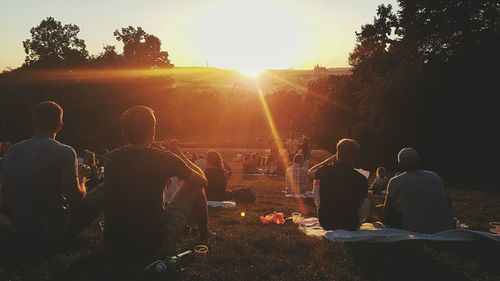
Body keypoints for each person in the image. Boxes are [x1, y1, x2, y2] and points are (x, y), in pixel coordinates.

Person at [103, 106, 212, 264]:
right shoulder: (164, 158)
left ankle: (204, 231)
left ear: (124, 131)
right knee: (193, 184)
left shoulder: (111, 158)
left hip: (114, 246)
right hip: (152, 245)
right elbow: (203, 181)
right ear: (152, 131)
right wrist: (179, 156)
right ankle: (205, 232)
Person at [0, 101, 101, 246]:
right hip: (50, 233)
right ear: (60, 126)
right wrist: (83, 177)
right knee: (104, 190)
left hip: (17, 230)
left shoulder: (12, 151)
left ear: (34, 122)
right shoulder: (65, 151)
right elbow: (74, 199)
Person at [382, 148, 454, 234]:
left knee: (386, 213)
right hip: (446, 229)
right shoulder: (435, 176)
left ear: (400, 162)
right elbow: (449, 204)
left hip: (416, 230)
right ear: (418, 160)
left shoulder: (396, 181)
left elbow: (387, 209)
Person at [308, 139, 368, 231]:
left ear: (337, 153)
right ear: (355, 157)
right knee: (369, 196)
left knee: (317, 181)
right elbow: (360, 204)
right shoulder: (362, 179)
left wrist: (329, 160)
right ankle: (357, 223)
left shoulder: (326, 171)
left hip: (326, 221)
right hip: (350, 224)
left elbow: (310, 172)